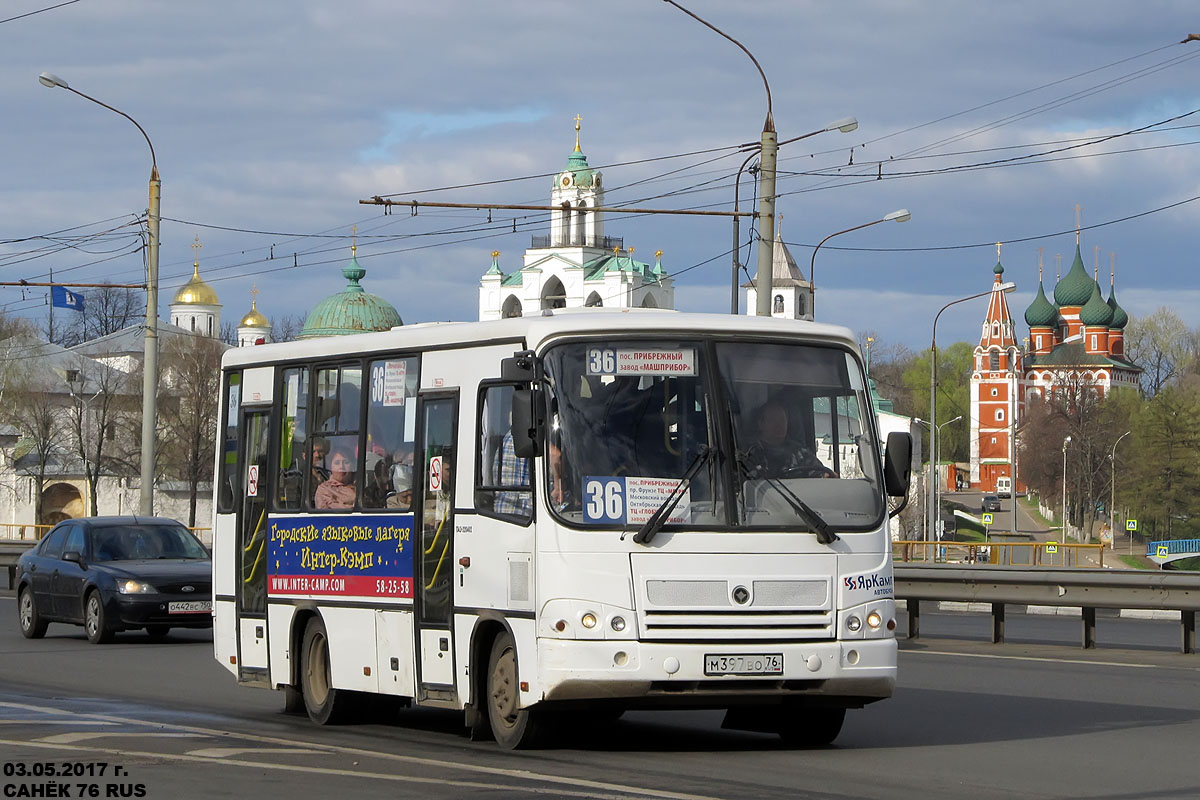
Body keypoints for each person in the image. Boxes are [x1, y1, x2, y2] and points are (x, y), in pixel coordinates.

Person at [750, 401, 834, 478]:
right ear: (760, 424)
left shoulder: (799, 451)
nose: (778, 425)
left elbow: (819, 472)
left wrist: (826, 477)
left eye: (782, 420)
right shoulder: (751, 455)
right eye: (773, 420)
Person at [493, 429, 531, 516]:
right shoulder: (526, 437)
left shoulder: (508, 438)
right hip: (520, 512)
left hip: (505, 510)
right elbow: (554, 456)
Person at [314, 443, 356, 509]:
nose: (341, 467)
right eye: (337, 463)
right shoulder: (324, 489)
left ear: (352, 466)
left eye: (346, 462)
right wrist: (354, 507)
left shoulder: (360, 486)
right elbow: (330, 509)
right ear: (330, 467)